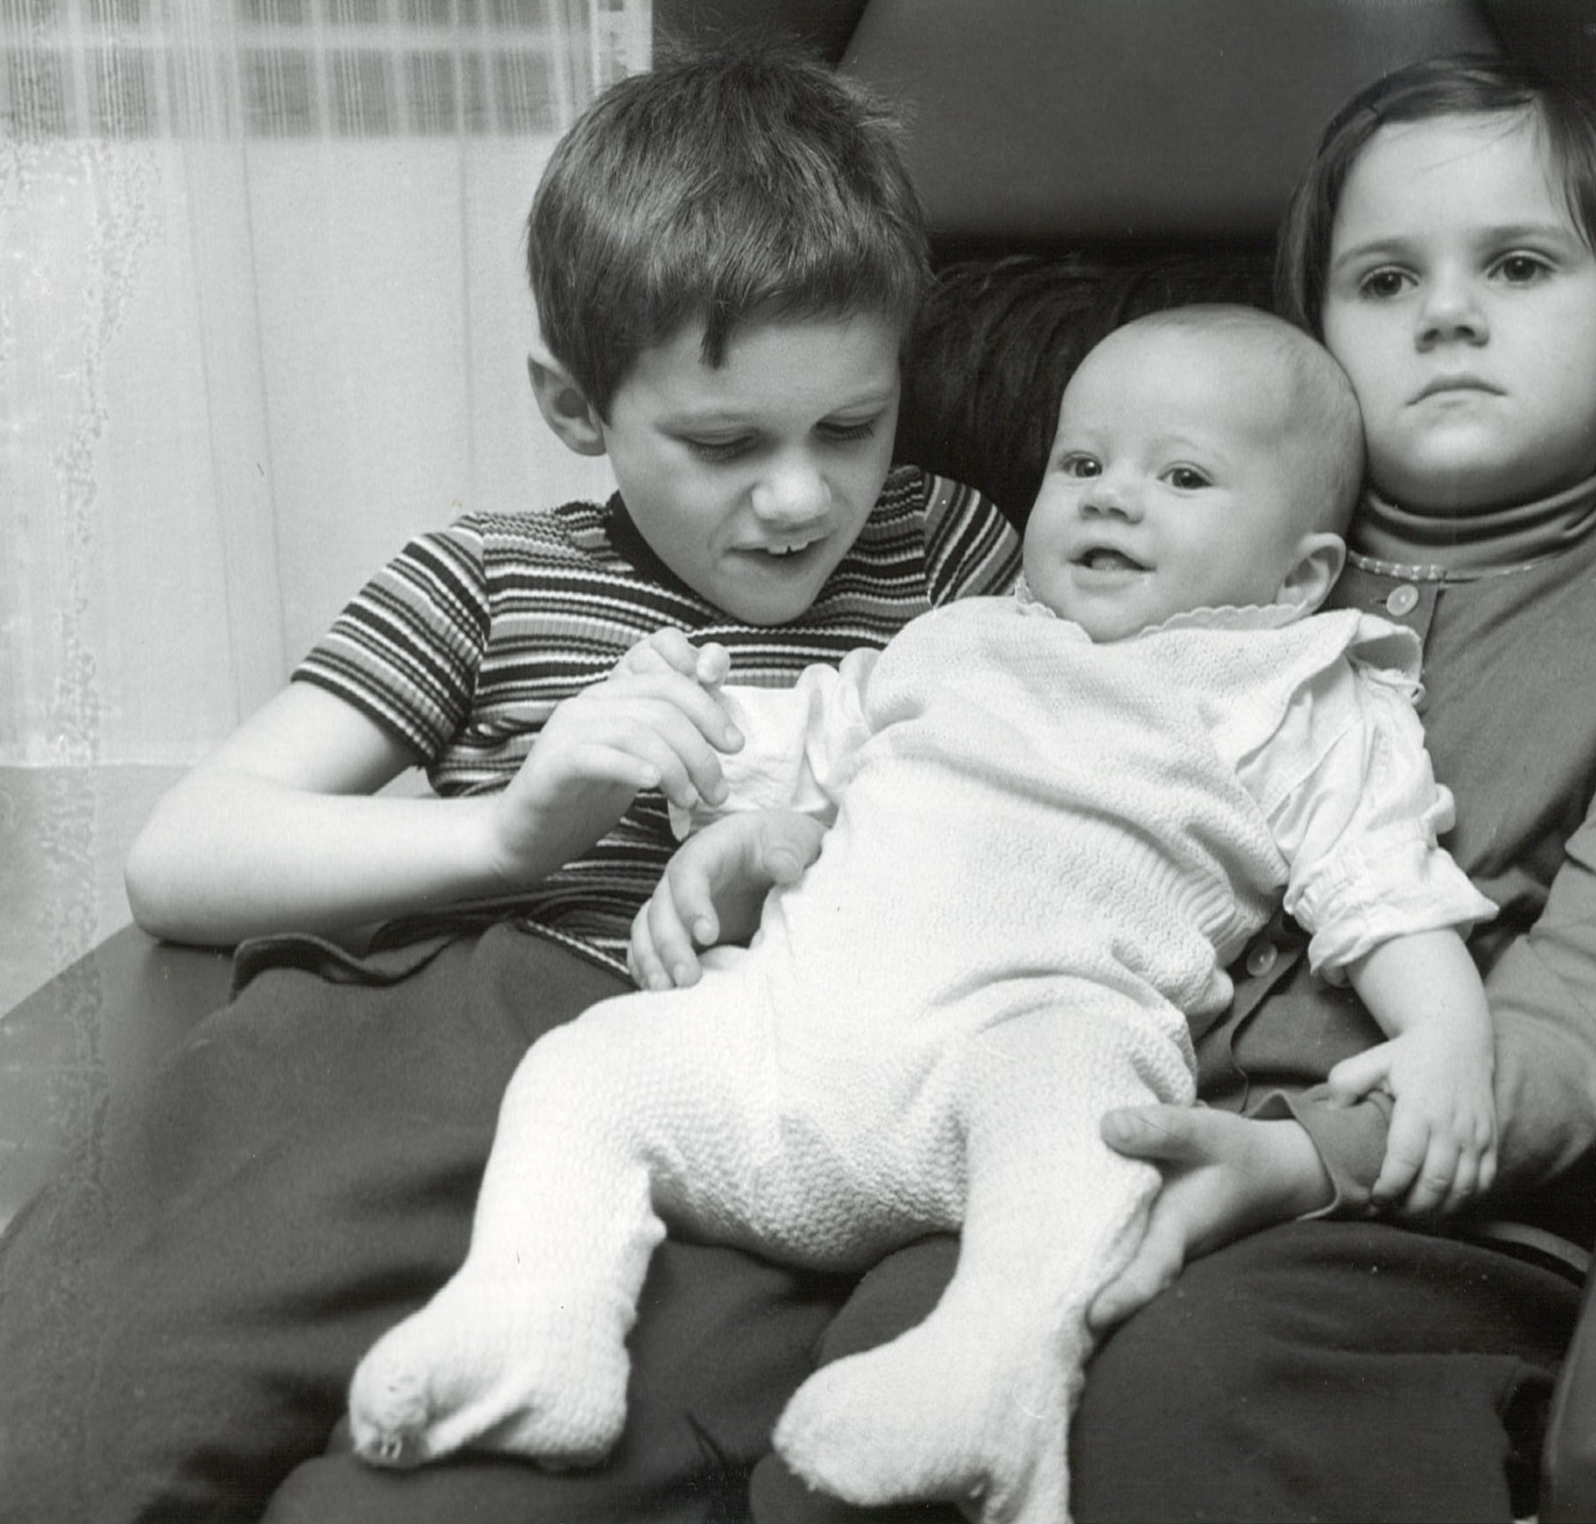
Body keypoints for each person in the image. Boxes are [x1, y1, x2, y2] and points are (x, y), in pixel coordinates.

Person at [744, 54, 1596, 1523]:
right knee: (876, 1385)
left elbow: (1584, 1019)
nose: (1445, 313)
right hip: (1074, 1134)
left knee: (1187, 1403)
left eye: (1517, 266)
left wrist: (1302, 1160)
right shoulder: (1175, 558)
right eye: (1384, 281)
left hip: (1414, 1214)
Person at [0, 41, 1020, 1524]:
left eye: (850, 427)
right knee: (90, 1407)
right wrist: (512, 831)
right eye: (724, 442)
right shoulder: (489, 577)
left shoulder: (947, 552)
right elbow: (184, 856)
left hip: (750, 1100)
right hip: (463, 1026)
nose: (802, 497)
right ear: (574, 404)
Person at [342, 306, 1501, 1523]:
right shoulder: (957, 637)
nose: (1111, 497)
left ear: (1303, 572)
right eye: (1082, 464)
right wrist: (703, 755)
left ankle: (992, 1372)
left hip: (1004, 1063)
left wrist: (1446, 1034)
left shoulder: (1302, 687)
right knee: (588, 1067)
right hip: (779, 1047)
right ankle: (532, 1330)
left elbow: (1381, 880)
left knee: (1097, 1113)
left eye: (1183, 477)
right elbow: (798, 744)